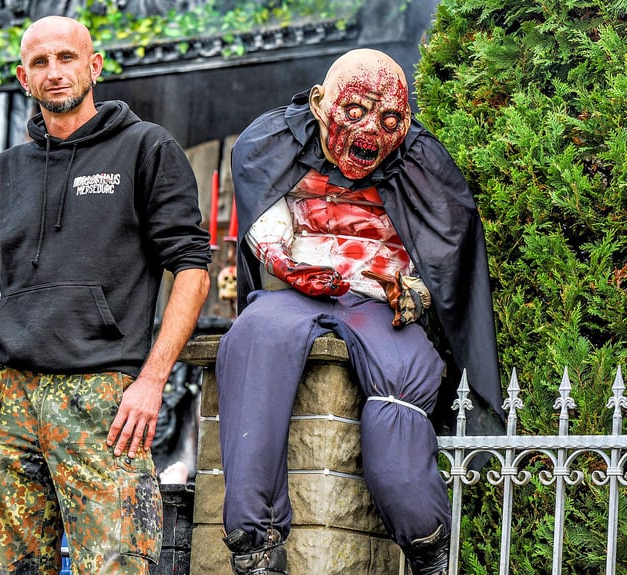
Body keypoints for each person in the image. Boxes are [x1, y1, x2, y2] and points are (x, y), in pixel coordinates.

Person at [0, 15, 211, 575]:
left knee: (115, 565)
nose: (54, 72)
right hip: (9, 403)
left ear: (94, 66)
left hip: (104, 397)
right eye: (40, 62)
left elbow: (192, 270)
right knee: (6, 568)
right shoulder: (4, 172)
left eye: (66, 57)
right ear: (23, 78)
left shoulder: (146, 149)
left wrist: (152, 380)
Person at [216, 49, 505, 575]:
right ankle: (254, 543)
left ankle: (426, 539)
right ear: (320, 103)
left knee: (404, 372)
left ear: (406, 121)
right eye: (355, 111)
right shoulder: (273, 140)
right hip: (296, 290)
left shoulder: (421, 161)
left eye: (389, 119)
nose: (371, 130)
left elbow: (444, 252)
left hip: (376, 297)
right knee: (255, 339)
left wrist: (411, 290)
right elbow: (265, 220)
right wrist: (289, 265)